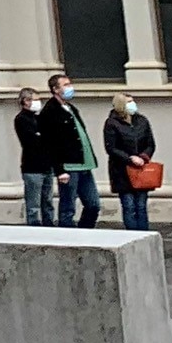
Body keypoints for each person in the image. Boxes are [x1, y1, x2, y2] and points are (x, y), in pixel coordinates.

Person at [46, 74, 100, 229]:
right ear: (56, 89)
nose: (70, 88)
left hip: (84, 165)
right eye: (66, 85)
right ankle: (68, 237)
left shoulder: (71, 108)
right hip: (69, 167)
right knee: (68, 207)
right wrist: (59, 169)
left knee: (93, 204)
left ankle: (85, 232)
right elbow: (51, 144)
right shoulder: (50, 111)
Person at [105, 93, 158, 232]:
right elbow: (111, 148)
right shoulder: (112, 123)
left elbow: (150, 143)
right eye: (128, 102)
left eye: (133, 101)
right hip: (122, 171)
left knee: (141, 206)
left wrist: (144, 156)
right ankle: (132, 234)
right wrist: (129, 158)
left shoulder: (142, 121)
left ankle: (144, 233)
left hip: (141, 170)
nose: (132, 104)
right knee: (129, 206)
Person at [11, 85, 60, 226]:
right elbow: (32, 141)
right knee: (33, 203)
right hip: (32, 167)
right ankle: (34, 227)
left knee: (48, 201)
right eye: (35, 99)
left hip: (47, 165)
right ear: (26, 101)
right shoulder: (21, 119)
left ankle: (49, 224)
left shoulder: (39, 118)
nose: (39, 103)